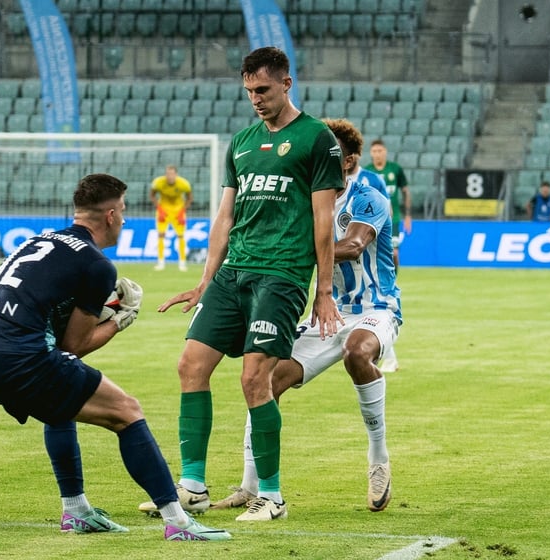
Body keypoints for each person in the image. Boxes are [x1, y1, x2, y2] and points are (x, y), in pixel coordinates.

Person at [0, 173, 230, 542]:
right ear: (111, 215)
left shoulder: (36, 241)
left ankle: (77, 511)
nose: (125, 220)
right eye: (124, 212)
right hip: (18, 355)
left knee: (58, 406)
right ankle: (178, 522)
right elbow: (74, 345)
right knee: (127, 411)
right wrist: (120, 319)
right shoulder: (96, 264)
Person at [140, 46, 344, 522]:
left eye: (264, 89)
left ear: (287, 84)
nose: (256, 98)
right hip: (234, 272)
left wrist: (323, 290)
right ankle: (192, 487)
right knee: (190, 365)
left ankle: (271, 496)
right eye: (249, 90)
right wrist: (204, 281)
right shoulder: (242, 142)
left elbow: (323, 220)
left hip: (282, 274)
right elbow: (225, 216)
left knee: (255, 379)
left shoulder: (317, 139)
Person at [211, 118, 401, 514]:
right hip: (326, 312)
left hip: (374, 309)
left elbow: (354, 244)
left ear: (348, 161)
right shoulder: (306, 197)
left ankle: (378, 459)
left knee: (357, 352)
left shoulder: (369, 197)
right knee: (264, 379)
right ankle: (250, 486)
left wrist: (290, 248)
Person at [363, 139, 407, 374]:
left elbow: (403, 193)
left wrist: (406, 215)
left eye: (380, 150)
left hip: (391, 221)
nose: (377, 153)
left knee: (393, 254)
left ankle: (389, 281)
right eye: (374, 151)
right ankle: (384, 357)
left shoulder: (392, 171)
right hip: (371, 224)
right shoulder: (367, 174)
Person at [150, 164, 193, 271]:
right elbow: (152, 195)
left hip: (178, 211)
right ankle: (161, 262)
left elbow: (189, 198)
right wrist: (159, 209)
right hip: (163, 211)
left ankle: (182, 263)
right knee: (161, 235)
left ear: (176, 174)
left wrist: (182, 211)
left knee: (181, 236)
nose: (170, 176)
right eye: (168, 174)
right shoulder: (158, 182)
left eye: (172, 174)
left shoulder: (184, 184)